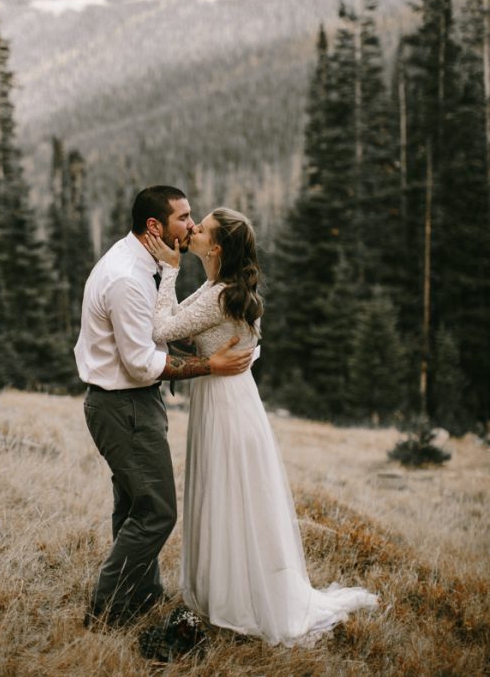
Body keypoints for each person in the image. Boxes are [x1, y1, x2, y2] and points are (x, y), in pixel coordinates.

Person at [145, 207, 378, 646]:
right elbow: (178, 323)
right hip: (229, 400)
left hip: (227, 408)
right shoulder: (219, 289)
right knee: (226, 496)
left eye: (202, 226)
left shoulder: (220, 296)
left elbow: (161, 328)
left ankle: (238, 601)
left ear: (213, 248)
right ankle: (226, 592)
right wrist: (175, 280)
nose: (191, 227)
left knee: (229, 496)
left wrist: (169, 272)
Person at [74, 186, 254, 627]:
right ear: (155, 226)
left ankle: (142, 594)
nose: (191, 226)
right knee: (157, 512)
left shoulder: (142, 263)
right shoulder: (125, 277)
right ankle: (107, 611)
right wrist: (208, 364)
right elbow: (140, 364)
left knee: (134, 504)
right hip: (123, 405)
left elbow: (164, 327)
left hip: (131, 404)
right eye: (184, 218)